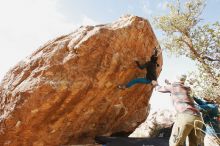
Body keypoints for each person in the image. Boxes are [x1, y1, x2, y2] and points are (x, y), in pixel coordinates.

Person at [155, 75, 203, 146]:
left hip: (185, 116)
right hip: (198, 118)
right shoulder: (188, 88)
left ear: (175, 80)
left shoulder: (173, 86)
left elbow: (159, 89)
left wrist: (155, 84)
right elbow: (179, 90)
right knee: (193, 144)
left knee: (175, 143)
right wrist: (169, 84)